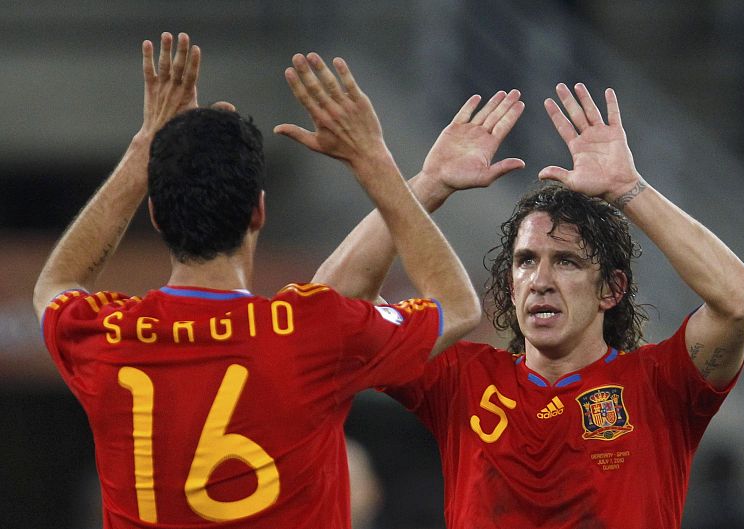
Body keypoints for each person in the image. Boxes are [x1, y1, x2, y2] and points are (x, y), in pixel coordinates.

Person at [33, 33, 483, 529]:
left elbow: (58, 281)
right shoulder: (309, 332)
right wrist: (375, 164)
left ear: (156, 215)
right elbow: (456, 306)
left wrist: (148, 145)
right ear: (259, 212)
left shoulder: (107, 336)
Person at [313, 82, 744, 528]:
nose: (540, 281)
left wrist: (629, 188)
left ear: (611, 289)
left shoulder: (660, 385)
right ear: (511, 287)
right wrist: (428, 186)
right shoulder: (460, 380)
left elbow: (738, 303)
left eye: (566, 262)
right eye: (526, 261)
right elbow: (328, 311)